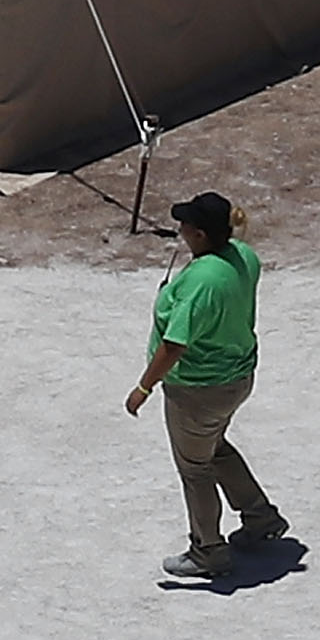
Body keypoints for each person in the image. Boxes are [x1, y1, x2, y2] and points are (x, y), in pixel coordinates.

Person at [129, 192, 287, 581]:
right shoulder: (242, 255)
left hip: (198, 391)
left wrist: (144, 387)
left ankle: (208, 551)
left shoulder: (202, 282)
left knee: (195, 468)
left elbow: (175, 344)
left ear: (199, 233)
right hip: (236, 378)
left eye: (185, 226)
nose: (179, 230)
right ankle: (259, 516)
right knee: (213, 448)